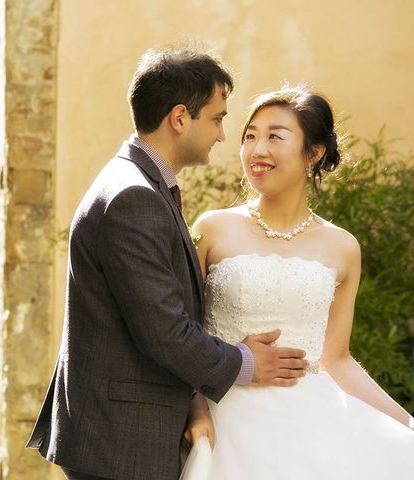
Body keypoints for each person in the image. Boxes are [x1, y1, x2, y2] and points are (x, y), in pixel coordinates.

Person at [26, 47, 309, 480]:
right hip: (120, 439)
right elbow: (164, 331)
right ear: (180, 118)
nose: (221, 134)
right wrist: (246, 363)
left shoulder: (138, 184)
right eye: (217, 118)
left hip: (119, 430)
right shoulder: (132, 197)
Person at [180, 85, 414, 479]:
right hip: (226, 422)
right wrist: (196, 406)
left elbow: (337, 359)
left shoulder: (343, 247)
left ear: (314, 152)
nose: (257, 150)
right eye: (250, 135)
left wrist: (406, 422)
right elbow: (180, 331)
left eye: (275, 136)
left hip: (312, 425)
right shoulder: (213, 228)